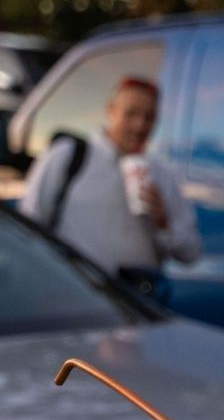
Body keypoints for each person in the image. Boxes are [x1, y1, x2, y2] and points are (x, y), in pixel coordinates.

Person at [19, 76, 200, 280]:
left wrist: (163, 222)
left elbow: (191, 254)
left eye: (149, 117)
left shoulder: (162, 175)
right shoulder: (68, 156)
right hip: (74, 292)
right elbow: (29, 229)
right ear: (111, 110)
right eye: (130, 114)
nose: (140, 126)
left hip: (137, 300)